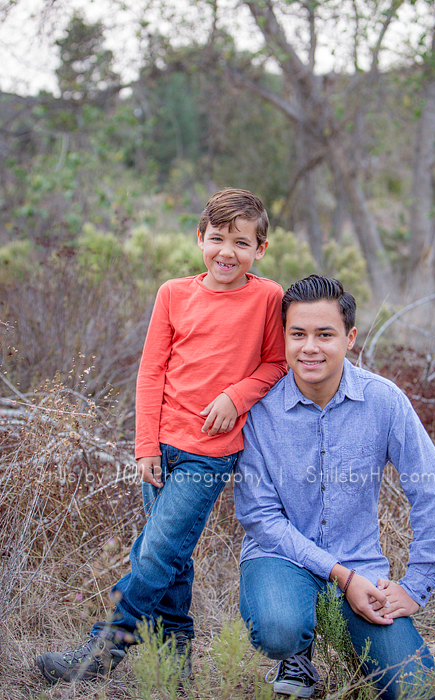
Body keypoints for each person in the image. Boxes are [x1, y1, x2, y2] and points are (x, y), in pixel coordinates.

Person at [36, 188, 287, 684]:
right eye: (217, 238)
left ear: (259, 249)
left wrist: (235, 397)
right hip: (162, 449)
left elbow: (276, 363)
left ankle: (107, 645)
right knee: (171, 556)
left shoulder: (267, 297)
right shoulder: (173, 293)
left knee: (155, 551)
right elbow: (151, 372)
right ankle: (175, 664)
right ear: (199, 238)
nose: (226, 252)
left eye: (241, 242)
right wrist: (145, 445)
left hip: (210, 452)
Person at [234, 274, 435, 700]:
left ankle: (355, 642)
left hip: (360, 564)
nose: (310, 347)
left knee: (419, 692)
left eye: (325, 334)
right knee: (280, 627)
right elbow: (260, 518)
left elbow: (434, 493)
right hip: (280, 558)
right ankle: (296, 651)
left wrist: (415, 586)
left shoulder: (384, 401)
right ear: (283, 337)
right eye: (298, 334)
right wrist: (341, 575)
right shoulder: (261, 412)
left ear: (350, 337)